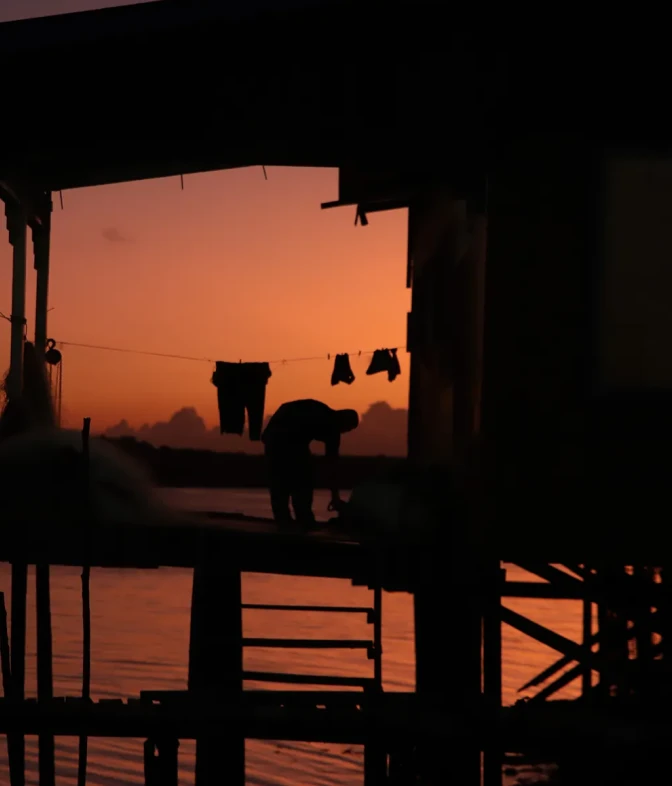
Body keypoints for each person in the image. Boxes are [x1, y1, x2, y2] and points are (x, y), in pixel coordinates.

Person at [261, 399, 359, 528]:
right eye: (346, 429)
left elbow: (332, 465)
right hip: (279, 435)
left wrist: (335, 496)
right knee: (289, 484)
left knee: (293, 482)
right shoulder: (319, 415)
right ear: (341, 420)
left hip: (285, 439)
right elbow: (331, 465)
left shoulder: (332, 428)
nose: (343, 432)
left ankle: (296, 520)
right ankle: (295, 520)